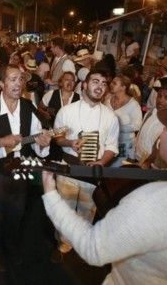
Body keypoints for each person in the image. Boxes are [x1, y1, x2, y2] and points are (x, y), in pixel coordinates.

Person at [41, 92, 167, 284]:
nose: (162, 133)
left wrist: (51, 194)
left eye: (166, 128)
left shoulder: (153, 203)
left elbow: (93, 248)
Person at [0, 64, 51, 272]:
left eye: (21, 79)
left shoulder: (28, 105)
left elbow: (35, 138)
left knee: (17, 214)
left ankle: (11, 247)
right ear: (1, 84)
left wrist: (42, 144)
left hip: (21, 170)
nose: (18, 83)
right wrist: (1, 142)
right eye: (13, 79)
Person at [51, 67, 119, 261]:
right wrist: (70, 142)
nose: (100, 87)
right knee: (65, 208)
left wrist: (101, 161)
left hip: (93, 171)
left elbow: (112, 147)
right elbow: (58, 138)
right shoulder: (67, 111)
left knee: (86, 211)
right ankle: (63, 244)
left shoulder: (110, 116)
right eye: (96, 81)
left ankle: (79, 243)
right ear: (85, 85)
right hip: (69, 168)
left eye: (104, 83)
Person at [135, 76, 167, 168]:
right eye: (159, 96)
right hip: (137, 161)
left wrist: (148, 163)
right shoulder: (150, 113)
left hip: (153, 168)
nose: (161, 100)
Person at [106, 74, 142, 166]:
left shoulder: (133, 104)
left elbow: (137, 125)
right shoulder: (108, 100)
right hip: (109, 143)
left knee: (119, 170)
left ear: (123, 87)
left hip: (125, 145)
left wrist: (118, 128)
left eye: (114, 83)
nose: (111, 84)